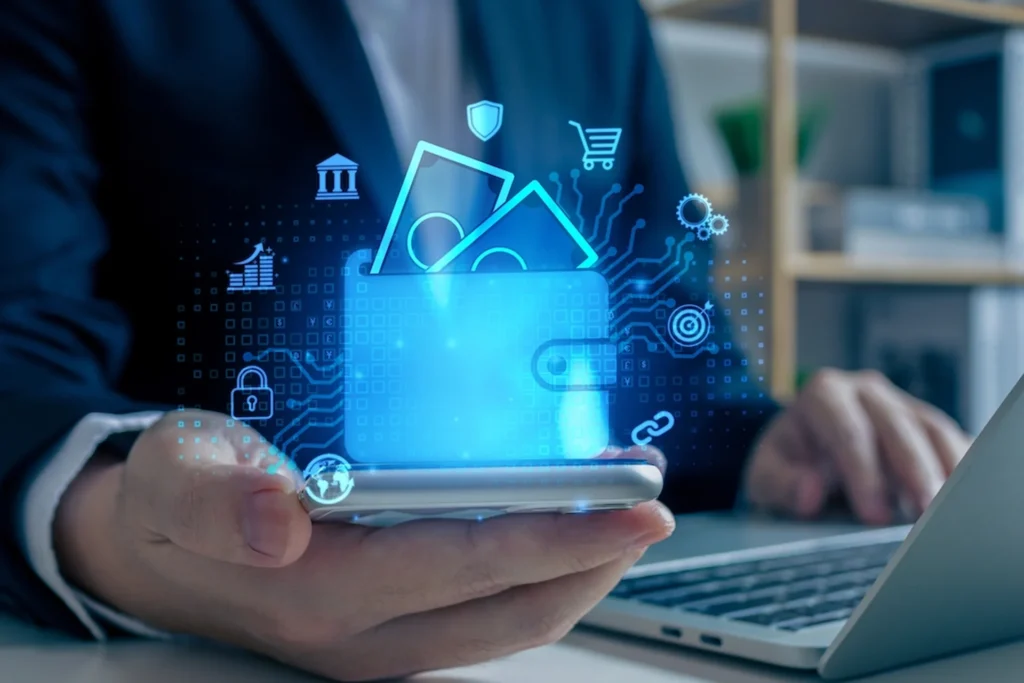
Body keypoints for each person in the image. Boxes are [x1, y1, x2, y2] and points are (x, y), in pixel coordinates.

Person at [0, 0, 971, 680]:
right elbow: (19, 347)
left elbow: (662, 331)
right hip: (167, 650)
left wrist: (767, 439)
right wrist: (115, 527)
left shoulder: (597, 16)